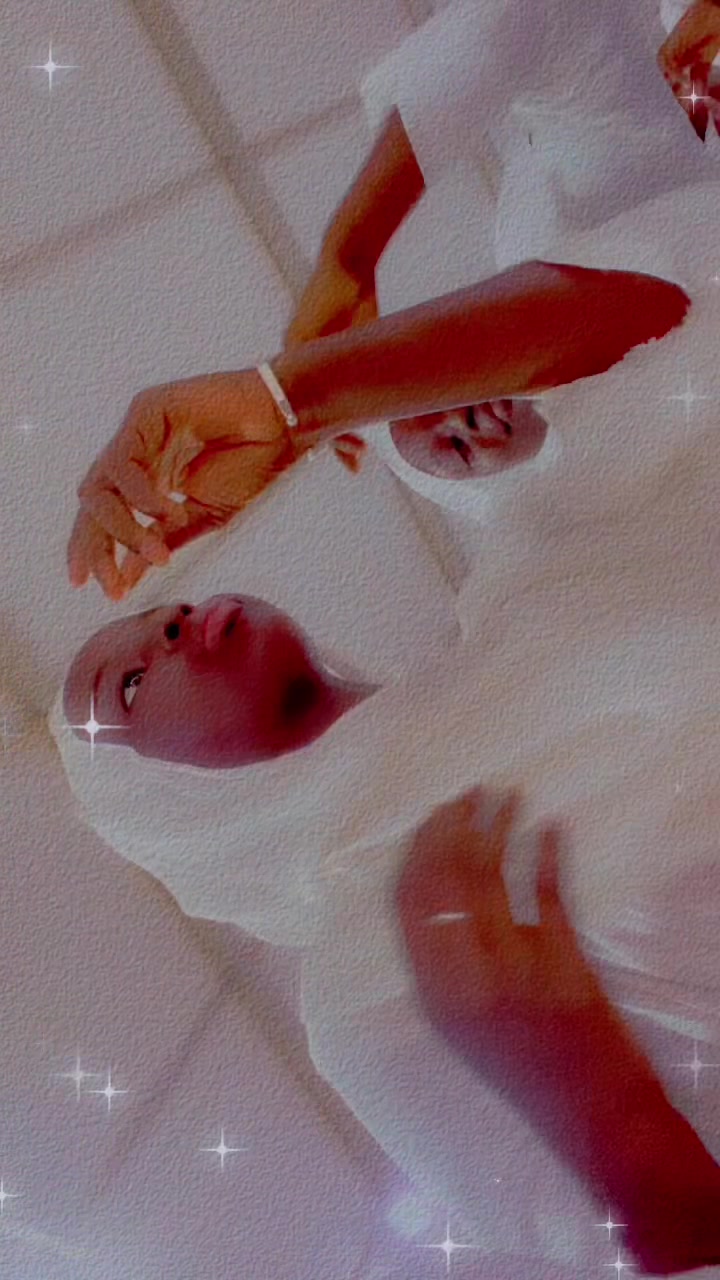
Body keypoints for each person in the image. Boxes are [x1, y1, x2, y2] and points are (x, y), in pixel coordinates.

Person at [51, 170, 720, 1267]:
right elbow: (661, 1243)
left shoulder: (516, 597)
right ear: (172, 808)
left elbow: (672, 309)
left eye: (154, 616)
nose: (166, 631)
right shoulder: (365, 984)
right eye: (126, 686)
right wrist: (570, 1073)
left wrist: (303, 398)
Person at [67, 0, 720, 597]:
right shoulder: (653, 469)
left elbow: (549, 21)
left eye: (425, 397)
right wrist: (296, 400)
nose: (460, 420)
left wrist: (348, 256)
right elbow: (662, 309)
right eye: (456, 453)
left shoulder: (564, 219)